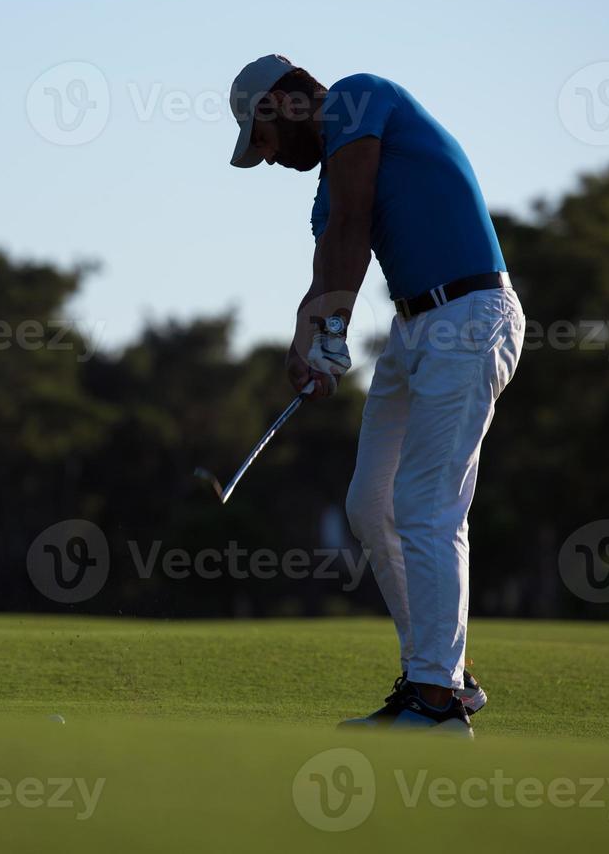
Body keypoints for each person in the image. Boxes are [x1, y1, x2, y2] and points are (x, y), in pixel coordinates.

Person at [227, 54, 526, 736]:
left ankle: (436, 699)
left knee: (425, 504)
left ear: (285, 102)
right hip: (413, 328)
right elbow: (332, 246)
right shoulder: (324, 191)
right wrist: (307, 342)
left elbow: (356, 223)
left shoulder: (359, 98)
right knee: (369, 504)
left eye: (263, 139)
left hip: (469, 316)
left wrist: (333, 326)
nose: (266, 159)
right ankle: (443, 676)